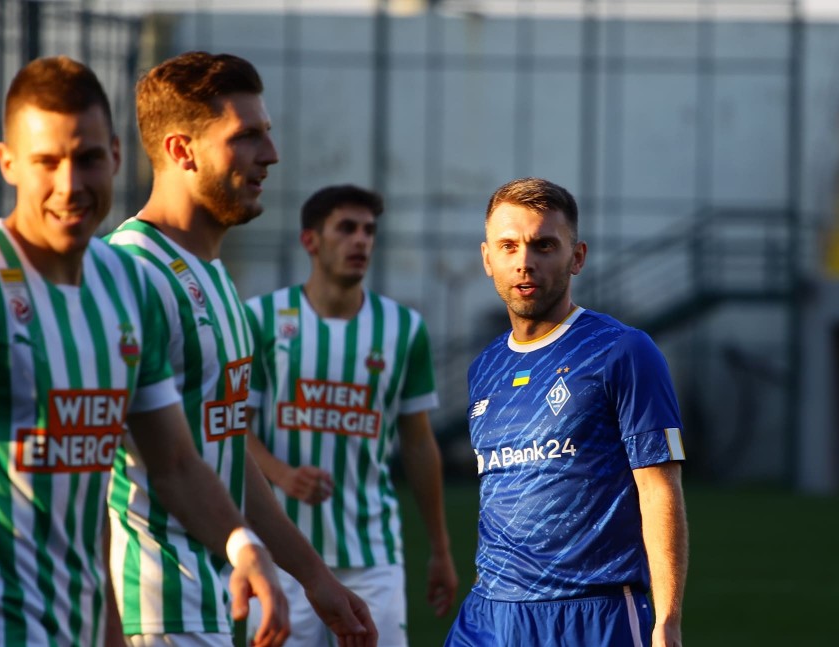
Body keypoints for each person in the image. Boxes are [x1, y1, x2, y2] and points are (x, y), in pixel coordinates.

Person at [0, 56, 288, 647]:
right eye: (47, 161)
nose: (70, 184)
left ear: (117, 156)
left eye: (89, 158)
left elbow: (174, 465)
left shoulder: (126, 286)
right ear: (8, 163)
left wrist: (242, 544)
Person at [104, 52, 376, 647]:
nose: (270, 155)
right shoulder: (128, 273)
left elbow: (225, 449)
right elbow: (107, 470)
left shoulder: (213, 275)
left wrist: (314, 577)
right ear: (181, 150)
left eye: (267, 134)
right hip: (152, 607)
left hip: (216, 601)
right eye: (246, 136)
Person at [444, 177, 688, 647]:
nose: (525, 261)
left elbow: (659, 487)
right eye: (509, 246)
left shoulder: (623, 351)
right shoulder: (484, 368)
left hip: (591, 614)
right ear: (487, 259)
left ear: (577, 257)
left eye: (544, 245)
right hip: (488, 615)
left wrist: (667, 618)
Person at [244, 184, 459, 646]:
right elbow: (234, 428)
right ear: (310, 240)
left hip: (371, 553)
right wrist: (282, 475)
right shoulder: (260, 319)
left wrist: (440, 549)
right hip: (280, 551)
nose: (360, 240)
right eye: (346, 228)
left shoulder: (404, 328)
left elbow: (419, 443)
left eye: (368, 230)